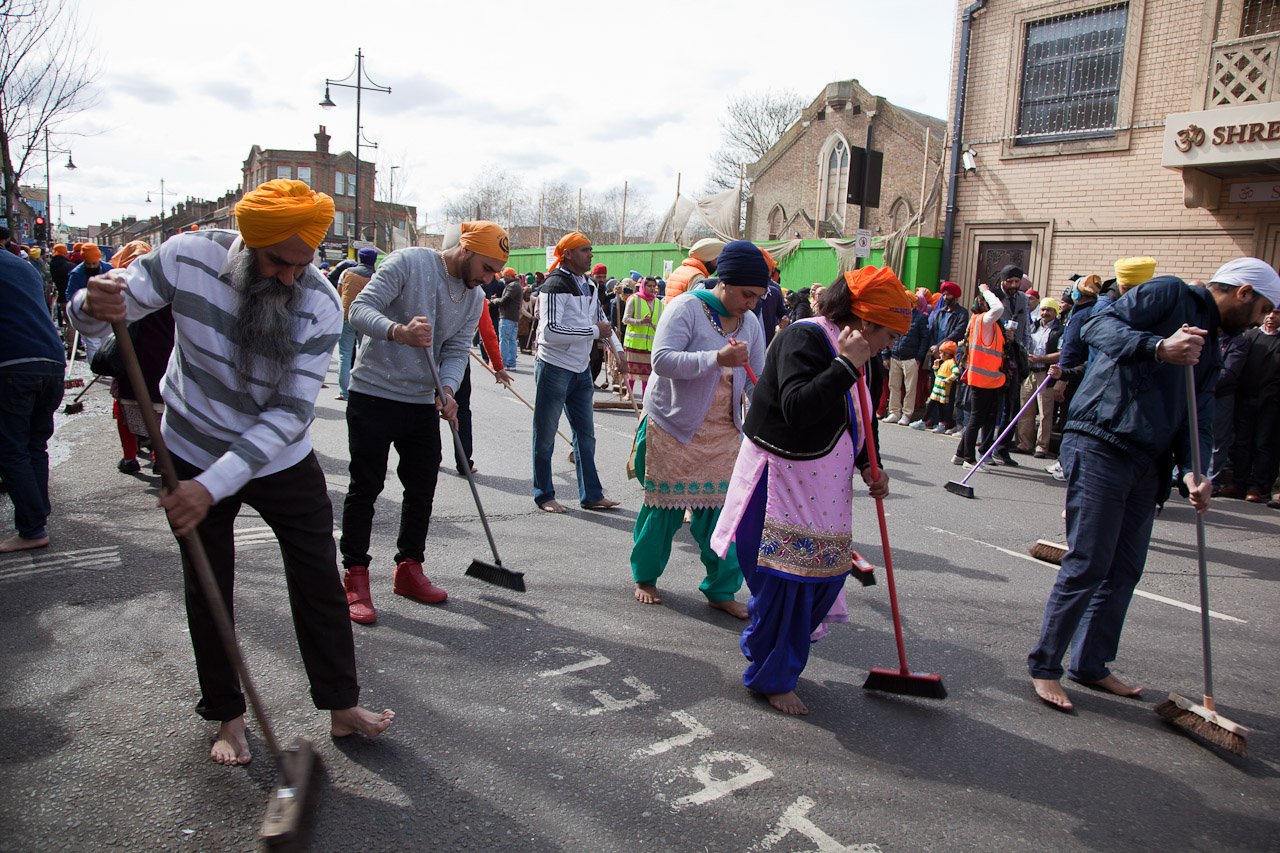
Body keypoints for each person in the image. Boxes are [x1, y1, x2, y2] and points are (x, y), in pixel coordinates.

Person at [71, 179, 394, 764]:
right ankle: (229, 718)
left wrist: (211, 486)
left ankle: (342, 706)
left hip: (279, 456)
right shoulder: (187, 257)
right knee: (208, 580)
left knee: (318, 574)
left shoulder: (319, 303)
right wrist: (90, 306)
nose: (290, 277)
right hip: (190, 443)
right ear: (247, 243)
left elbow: (291, 414)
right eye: (278, 262)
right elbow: (103, 317)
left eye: (302, 265)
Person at [1027, 257, 1279, 712]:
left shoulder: (1216, 345)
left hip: (1150, 459)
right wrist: (1159, 347)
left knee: (1125, 568)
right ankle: (1045, 666)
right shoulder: (1169, 293)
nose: (1263, 320)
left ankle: (1091, 663)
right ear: (1244, 292)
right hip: (1103, 439)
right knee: (1089, 561)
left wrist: (1195, 471)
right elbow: (1096, 327)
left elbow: (1197, 413)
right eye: (1262, 309)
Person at [710, 266, 906, 715]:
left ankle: (769, 653)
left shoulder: (866, 358)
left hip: (828, 484)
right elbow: (797, 407)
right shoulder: (806, 338)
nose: (890, 344)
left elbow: (861, 420)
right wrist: (845, 365)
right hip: (783, 478)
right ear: (863, 321)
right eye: (888, 333)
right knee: (786, 581)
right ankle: (771, 675)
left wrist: (871, 467)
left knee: (826, 576)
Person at [340, 221, 510, 624]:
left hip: (419, 401)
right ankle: (355, 576)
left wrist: (448, 390)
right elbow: (358, 312)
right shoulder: (410, 263)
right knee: (366, 486)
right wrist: (397, 331)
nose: (489, 279)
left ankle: (409, 568)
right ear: (466, 251)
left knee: (422, 488)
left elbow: (455, 350)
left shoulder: (473, 298)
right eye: (487, 268)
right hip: (374, 393)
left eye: (494, 272)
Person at [629, 241, 768, 617]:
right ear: (724, 282)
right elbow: (661, 360)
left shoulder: (751, 322)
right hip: (674, 425)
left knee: (724, 516)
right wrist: (716, 358)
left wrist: (769, 416)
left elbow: (759, 380)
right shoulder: (686, 308)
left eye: (758, 296)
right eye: (746, 294)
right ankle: (645, 576)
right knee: (664, 511)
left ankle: (721, 590)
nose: (751, 303)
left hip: (724, 431)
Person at [532, 232, 628, 513]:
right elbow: (549, 333)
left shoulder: (589, 285)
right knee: (545, 435)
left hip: (580, 370)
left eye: (591, 250)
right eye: (585, 250)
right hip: (554, 368)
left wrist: (617, 350)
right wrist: (593, 332)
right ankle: (544, 494)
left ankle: (592, 495)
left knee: (585, 436)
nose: (590, 255)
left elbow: (602, 322)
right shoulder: (554, 285)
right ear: (569, 254)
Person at [0, 247, 66, 553]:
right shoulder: (23, 266)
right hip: (51, 360)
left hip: (13, 364)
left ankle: (32, 527)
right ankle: (38, 516)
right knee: (35, 445)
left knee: (12, 450)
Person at [1219, 305, 1280, 502]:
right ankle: (1238, 483)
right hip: (1245, 398)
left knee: (1264, 443)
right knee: (1241, 443)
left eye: (1276, 313)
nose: (1271, 317)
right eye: (1268, 312)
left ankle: (1258, 486)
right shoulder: (1250, 337)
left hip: (1271, 402)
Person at [953, 283, 1005, 467]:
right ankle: (969, 458)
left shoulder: (979, 321)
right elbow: (998, 307)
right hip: (984, 378)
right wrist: (986, 290)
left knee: (979, 417)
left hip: (986, 378)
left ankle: (960, 454)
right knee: (976, 419)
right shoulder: (984, 320)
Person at [1016, 297, 1063, 458]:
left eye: (1049, 310)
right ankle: (1024, 444)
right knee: (1025, 409)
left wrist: (1040, 359)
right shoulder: (1033, 327)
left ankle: (1042, 446)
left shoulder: (1059, 330)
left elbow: (1061, 353)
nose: (1045, 313)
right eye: (1043, 310)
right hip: (1030, 372)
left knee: (1045, 412)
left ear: (1055, 312)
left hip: (1045, 373)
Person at [336, 247, 378, 401]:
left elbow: (339, 291)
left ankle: (344, 392)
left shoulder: (346, 273)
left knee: (344, 354)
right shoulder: (375, 276)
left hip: (346, 316)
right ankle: (362, 390)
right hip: (366, 319)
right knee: (365, 355)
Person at [883, 299, 930, 425]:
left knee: (910, 388)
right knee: (893, 386)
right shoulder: (898, 315)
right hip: (895, 356)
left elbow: (925, 338)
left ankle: (906, 414)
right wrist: (886, 355)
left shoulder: (920, 318)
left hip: (911, 358)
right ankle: (894, 412)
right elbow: (889, 334)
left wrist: (919, 358)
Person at [65, 245, 113, 363]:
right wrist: (80, 305)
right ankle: (96, 370)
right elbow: (71, 294)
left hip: (106, 311)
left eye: (94, 263)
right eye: (88, 264)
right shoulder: (76, 274)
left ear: (99, 259)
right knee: (91, 343)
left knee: (108, 341)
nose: (91, 266)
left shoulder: (109, 269)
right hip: (87, 312)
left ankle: (108, 369)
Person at [622, 275, 664, 400]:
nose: (652, 289)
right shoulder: (634, 299)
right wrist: (641, 321)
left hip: (650, 345)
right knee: (631, 372)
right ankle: (629, 393)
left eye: (654, 286)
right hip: (634, 343)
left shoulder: (659, 303)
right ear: (643, 286)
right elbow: (625, 319)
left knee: (647, 373)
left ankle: (646, 396)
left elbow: (661, 323)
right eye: (649, 286)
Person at [910, 339, 961, 433]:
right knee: (939, 407)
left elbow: (956, 372)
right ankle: (940, 424)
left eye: (942, 353)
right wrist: (936, 368)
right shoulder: (944, 363)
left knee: (932, 405)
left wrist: (948, 380)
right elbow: (938, 375)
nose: (940, 355)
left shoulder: (951, 363)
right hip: (938, 389)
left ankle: (923, 421)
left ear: (947, 353)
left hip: (942, 390)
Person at [664, 238, 723, 304]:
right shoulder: (697, 277)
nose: (717, 265)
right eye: (716, 260)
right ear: (708, 258)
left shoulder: (678, 270)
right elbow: (697, 305)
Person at [496, 267, 524, 368]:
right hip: (514, 317)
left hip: (507, 316)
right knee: (512, 340)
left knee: (504, 340)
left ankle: (503, 363)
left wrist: (493, 301)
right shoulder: (517, 286)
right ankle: (511, 363)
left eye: (505, 276)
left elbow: (505, 300)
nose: (503, 278)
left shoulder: (512, 286)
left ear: (508, 275)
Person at [49, 243, 73, 329]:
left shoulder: (51, 264)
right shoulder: (70, 266)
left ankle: (67, 338)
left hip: (60, 295)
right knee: (71, 323)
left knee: (65, 321)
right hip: (70, 296)